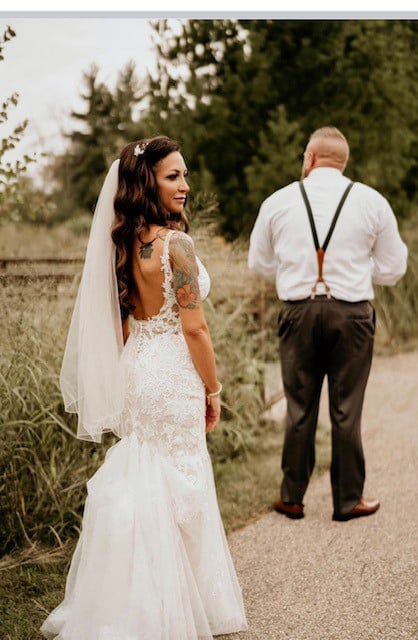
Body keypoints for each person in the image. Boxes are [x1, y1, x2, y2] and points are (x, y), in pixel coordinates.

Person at [41, 136, 247, 639]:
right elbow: (195, 329)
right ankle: (174, 606)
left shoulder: (121, 244)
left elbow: (121, 324)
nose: (185, 185)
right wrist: (213, 389)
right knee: (182, 479)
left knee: (144, 477)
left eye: (185, 175)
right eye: (173, 176)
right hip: (173, 372)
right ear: (146, 182)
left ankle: (135, 596)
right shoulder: (177, 246)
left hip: (137, 367)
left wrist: (128, 372)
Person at [248, 126, 407, 522]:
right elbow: (393, 268)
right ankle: (348, 500)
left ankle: (292, 497)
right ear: (343, 162)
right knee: (346, 409)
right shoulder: (371, 201)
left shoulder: (278, 201)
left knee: (299, 407)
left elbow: (259, 263)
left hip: (298, 312)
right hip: (351, 314)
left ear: (310, 158)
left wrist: (295, 269)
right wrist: (356, 270)